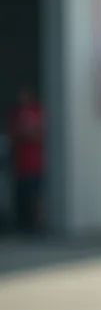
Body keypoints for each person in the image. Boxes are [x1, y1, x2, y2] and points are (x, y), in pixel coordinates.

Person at [8, 88, 44, 234]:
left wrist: (25, 133)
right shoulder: (16, 113)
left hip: (35, 163)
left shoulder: (37, 111)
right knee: (21, 196)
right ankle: (23, 225)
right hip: (20, 164)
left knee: (35, 196)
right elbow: (13, 135)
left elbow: (40, 134)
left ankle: (37, 225)